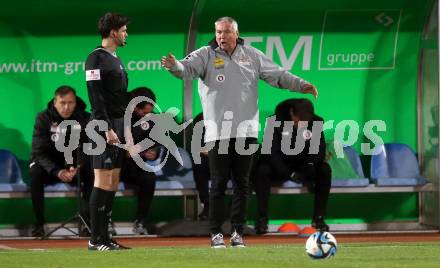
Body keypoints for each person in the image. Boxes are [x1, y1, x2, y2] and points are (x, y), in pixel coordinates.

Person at [161, 17, 318, 248]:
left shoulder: (252, 55)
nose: (221, 36)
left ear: (236, 33)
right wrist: (174, 65)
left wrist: (302, 84)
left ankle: (237, 233)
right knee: (218, 184)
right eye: (218, 32)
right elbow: (185, 69)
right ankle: (215, 233)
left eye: (226, 32)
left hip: (246, 132)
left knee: (243, 185)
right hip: (217, 133)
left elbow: (278, 75)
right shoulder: (204, 54)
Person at [252, 98, 331, 234]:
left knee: (324, 170)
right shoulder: (274, 122)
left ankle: (319, 219)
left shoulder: (316, 122)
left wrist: (309, 168)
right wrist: (289, 174)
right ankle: (262, 219)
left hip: (304, 165)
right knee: (262, 170)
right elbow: (271, 154)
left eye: (305, 122)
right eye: (298, 121)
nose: (301, 125)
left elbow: (318, 152)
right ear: (291, 113)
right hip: (280, 166)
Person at [85, 12, 130, 251]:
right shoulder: (95, 59)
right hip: (102, 127)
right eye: (123, 30)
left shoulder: (116, 58)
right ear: (113, 32)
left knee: (112, 181)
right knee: (102, 180)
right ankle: (95, 239)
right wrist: (106, 128)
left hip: (117, 124)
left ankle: (105, 237)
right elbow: (96, 96)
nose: (126, 34)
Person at [29, 85, 93, 237]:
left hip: (74, 166)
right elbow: (38, 152)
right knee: (35, 172)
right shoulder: (43, 118)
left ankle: (87, 222)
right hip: (50, 167)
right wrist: (57, 171)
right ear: (55, 102)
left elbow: (89, 146)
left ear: (75, 102)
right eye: (62, 103)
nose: (66, 107)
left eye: (70, 103)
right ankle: (39, 223)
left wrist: (78, 166)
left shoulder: (85, 118)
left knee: (92, 172)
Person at [120, 87, 158, 235]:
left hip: (135, 165)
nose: (149, 115)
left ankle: (140, 221)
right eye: (145, 112)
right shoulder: (121, 117)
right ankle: (105, 221)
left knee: (149, 178)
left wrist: (153, 152)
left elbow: (156, 141)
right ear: (135, 107)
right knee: (105, 180)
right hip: (115, 164)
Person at [191, 113, 210, 221]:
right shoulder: (202, 118)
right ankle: (208, 205)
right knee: (199, 163)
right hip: (210, 161)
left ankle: (234, 210)